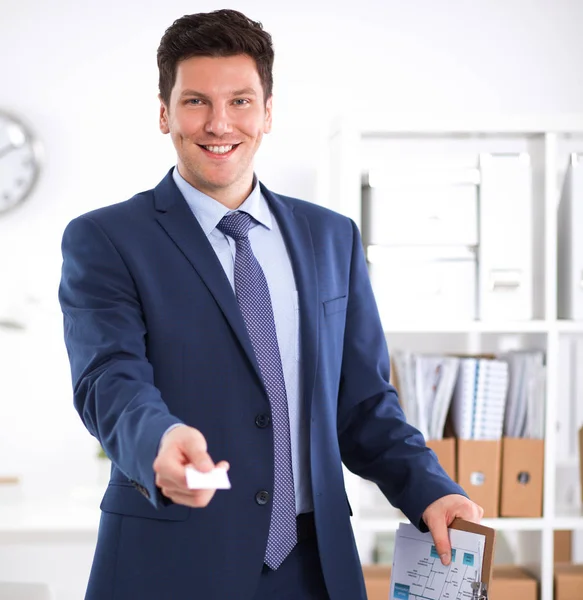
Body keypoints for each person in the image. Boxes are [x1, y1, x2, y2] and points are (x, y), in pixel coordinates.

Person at [58, 9, 483, 600]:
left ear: (268, 113)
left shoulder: (331, 237)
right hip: (170, 563)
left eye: (240, 101)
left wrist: (430, 489)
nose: (218, 123)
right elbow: (110, 378)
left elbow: (362, 403)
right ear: (164, 113)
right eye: (195, 102)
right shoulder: (106, 239)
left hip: (315, 567)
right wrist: (158, 442)